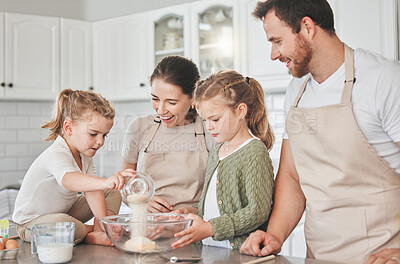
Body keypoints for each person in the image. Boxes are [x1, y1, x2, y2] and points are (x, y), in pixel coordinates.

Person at [240, 0, 400, 263]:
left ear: (307, 27)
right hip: (318, 255)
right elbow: (292, 176)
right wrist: (276, 234)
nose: (273, 54)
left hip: (380, 256)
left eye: (277, 41)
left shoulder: (384, 79)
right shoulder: (296, 92)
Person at [13, 89, 134, 246]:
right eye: (93, 134)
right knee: (63, 223)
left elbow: (93, 191)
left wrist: (103, 222)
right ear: (69, 128)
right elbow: (69, 180)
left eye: (104, 135)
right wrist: (104, 181)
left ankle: (100, 231)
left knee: (112, 193)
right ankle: (88, 233)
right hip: (30, 224)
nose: (100, 142)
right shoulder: (57, 153)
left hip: (63, 212)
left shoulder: (85, 154)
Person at [171, 70, 275, 250]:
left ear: (241, 111)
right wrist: (192, 212)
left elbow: (257, 212)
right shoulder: (216, 151)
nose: (209, 127)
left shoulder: (254, 151)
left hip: (238, 252)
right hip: (209, 248)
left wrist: (211, 228)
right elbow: (213, 203)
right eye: (205, 120)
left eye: (215, 119)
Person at [121, 56, 215, 213]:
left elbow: (219, 194)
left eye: (171, 102)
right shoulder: (139, 127)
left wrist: (194, 211)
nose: (161, 110)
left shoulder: (210, 130)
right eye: (155, 99)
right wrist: (140, 201)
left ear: (192, 98)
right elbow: (124, 184)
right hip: (147, 226)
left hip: (191, 227)